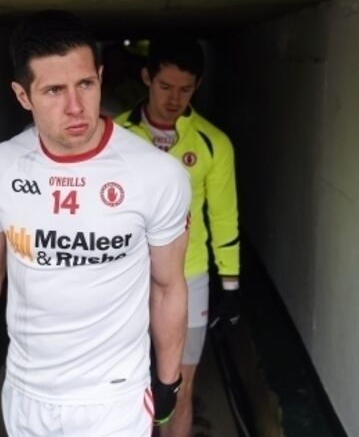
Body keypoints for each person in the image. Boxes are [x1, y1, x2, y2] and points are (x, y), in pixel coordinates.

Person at [0, 11, 192, 437]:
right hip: (28, 395)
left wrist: (169, 379)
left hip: (114, 400)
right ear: (22, 95)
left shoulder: (156, 174)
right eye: (53, 90)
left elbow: (168, 285)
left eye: (86, 84)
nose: (75, 107)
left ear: (101, 77)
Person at [115, 38, 241, 437]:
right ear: (146, 77)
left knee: (179, 390)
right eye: (165, 86)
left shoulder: (213, 143)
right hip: (126, 277)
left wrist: (231, 285)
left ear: (198, 85)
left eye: (185, 89)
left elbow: (223, 216)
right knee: (126, 386)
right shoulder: (115, 135)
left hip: (189, 277)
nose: (174, 99)